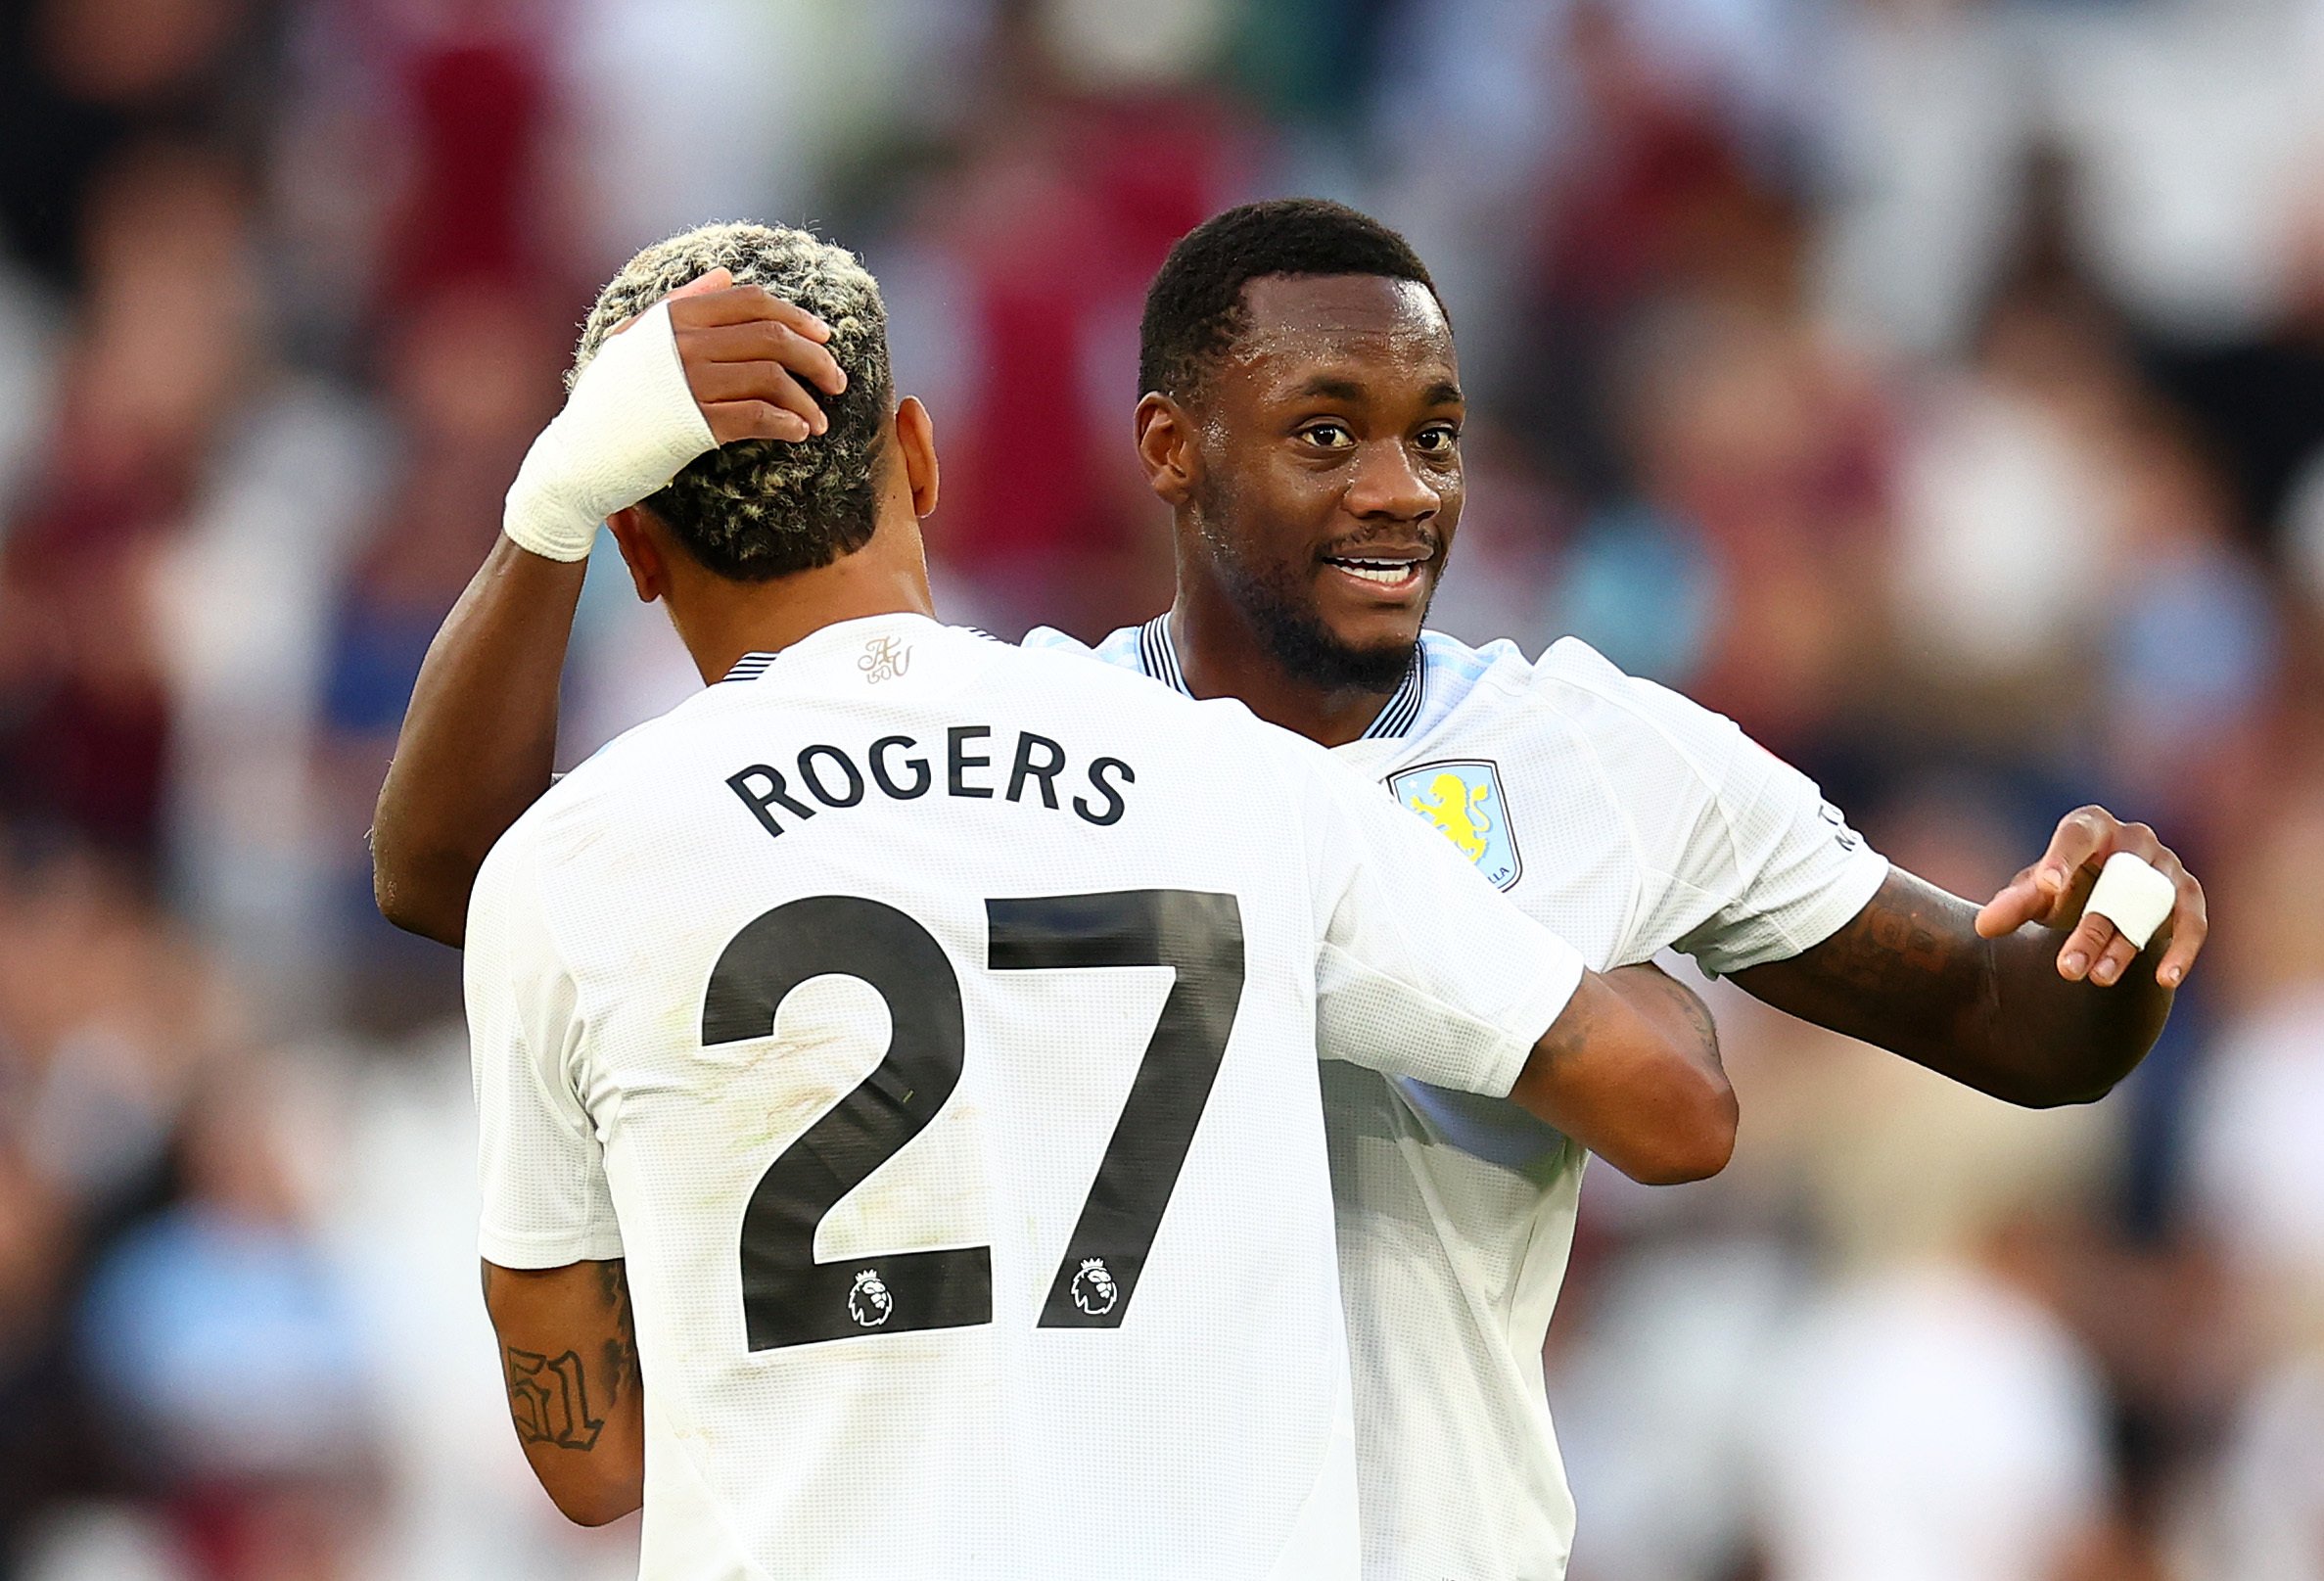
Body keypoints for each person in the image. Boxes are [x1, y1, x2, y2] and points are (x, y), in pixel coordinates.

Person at [374, 203, 2207, 1580]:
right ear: (1169, 451)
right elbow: (480, 880)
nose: (1399, 488)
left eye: (1437, 431)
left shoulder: (1609, 755)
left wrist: (2113, 948)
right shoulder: (1062, 755)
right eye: (1325, 432)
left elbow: (2005, 1022)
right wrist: (1623, 996)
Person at [452, 220, 1733, 1580]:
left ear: (635, 546)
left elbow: (594, 1463)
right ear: (921, 459)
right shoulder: (1229, 777)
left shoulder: (574, 861)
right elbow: (1670, 1111)